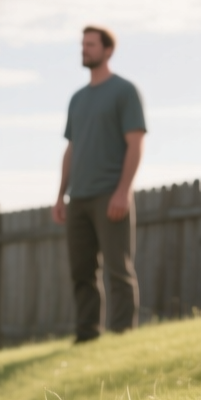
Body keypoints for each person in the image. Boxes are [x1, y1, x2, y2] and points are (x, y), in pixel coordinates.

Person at [51, 25, 145, 343]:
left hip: (110, 195)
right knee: (81, 272)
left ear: (107, 51)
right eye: (82, 44)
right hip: (79, 198)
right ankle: (87, 335)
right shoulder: (77, 99)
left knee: (118, 269)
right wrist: (60, 195)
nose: (84, 49)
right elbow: (72, 148)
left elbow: (135, 143)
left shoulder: (124, 91)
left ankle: (121, 335)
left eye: (90, 44)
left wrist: (123, 191)